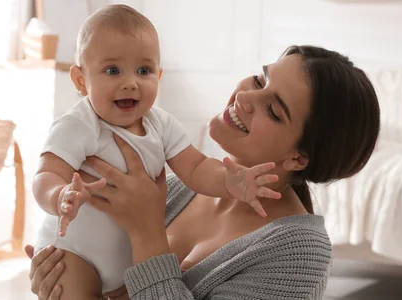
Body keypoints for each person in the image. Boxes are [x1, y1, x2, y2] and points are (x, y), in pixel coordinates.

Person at [25, 44, 381, 300]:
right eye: (260, 79)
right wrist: (64, 277)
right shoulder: (181, 188)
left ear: (299, 158)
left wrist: (147, 232)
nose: (245, 98)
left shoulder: (299, 256)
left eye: (273, 108)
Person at [32, 4, 281, 297]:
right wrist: (59, 196)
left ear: (158, 76)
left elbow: (197, 167)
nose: (131, 83)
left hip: (125, 261)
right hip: (74, 252)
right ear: (80, 80)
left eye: (144, 70)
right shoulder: (79, 124)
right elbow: (46, 174)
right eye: (113, 70)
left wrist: (230, 181)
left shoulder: (161, 124)